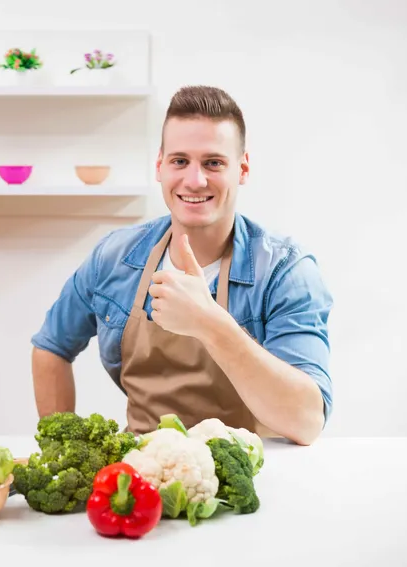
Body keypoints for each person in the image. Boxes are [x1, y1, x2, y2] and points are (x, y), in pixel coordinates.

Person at [30, 85, 333, 446]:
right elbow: (51, 348)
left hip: (254, 484)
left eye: (213, 163)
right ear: (160, 167)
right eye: (180, 161)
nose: (194, 180)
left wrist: (209, 323)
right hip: (144, 475)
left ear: (243, 169)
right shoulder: (113, 258)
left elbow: (306, 421)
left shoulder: (285, 271)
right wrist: (64, 451)